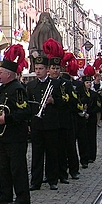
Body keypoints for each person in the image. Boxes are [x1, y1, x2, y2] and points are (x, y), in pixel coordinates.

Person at [0, 44, 31, 204]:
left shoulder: (18, 89)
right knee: (4, 167)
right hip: (4, 136)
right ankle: (5, 195)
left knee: (17, 168)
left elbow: (25, 111)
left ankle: (22, 198)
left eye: (0, 72)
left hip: (15, 136)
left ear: (8, 74)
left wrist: (7, 119)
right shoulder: (5, 88)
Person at [26, 55, 61, 191]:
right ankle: (36, 181)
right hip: (37, 124)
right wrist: (29, 123)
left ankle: (53, 180)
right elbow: (28, 106)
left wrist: (54, 101)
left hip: (51, 123)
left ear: (47, 69)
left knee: (52, 153)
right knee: (37, 154)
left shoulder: (55, 84)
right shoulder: (30, 85)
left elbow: (63, 103)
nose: (38, 71)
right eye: (36, 68)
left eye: (41, 68)